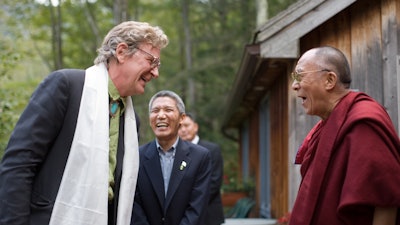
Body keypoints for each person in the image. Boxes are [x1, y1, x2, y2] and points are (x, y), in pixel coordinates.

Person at [0, 21, 169, 225]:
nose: (155, 73)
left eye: (157, 65)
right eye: (151, 60)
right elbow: (18, 165)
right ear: (122, 52)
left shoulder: (131, 120)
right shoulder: (66, 87)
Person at [290, 46, 400, 225]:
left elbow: (385, 199)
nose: (294, 86)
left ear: (329, 80)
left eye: (299, 76)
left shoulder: (363, 120)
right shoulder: (327, 124)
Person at [131, 90, 212, 225]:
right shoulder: (136, 156)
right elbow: (134, 205)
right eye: (155, 110)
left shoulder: (200, 157)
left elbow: (197, 207)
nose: (161, 115)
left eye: (168, 110)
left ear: (181, 118)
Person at [179, 113, 225, 225]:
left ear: (195, 127)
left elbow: (214, 182)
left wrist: (192, 204)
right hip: (182, 216)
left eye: (187, 125)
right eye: (180, 126)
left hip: (209, 214)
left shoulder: (211, 150)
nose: (183, 129)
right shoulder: (175, 152)